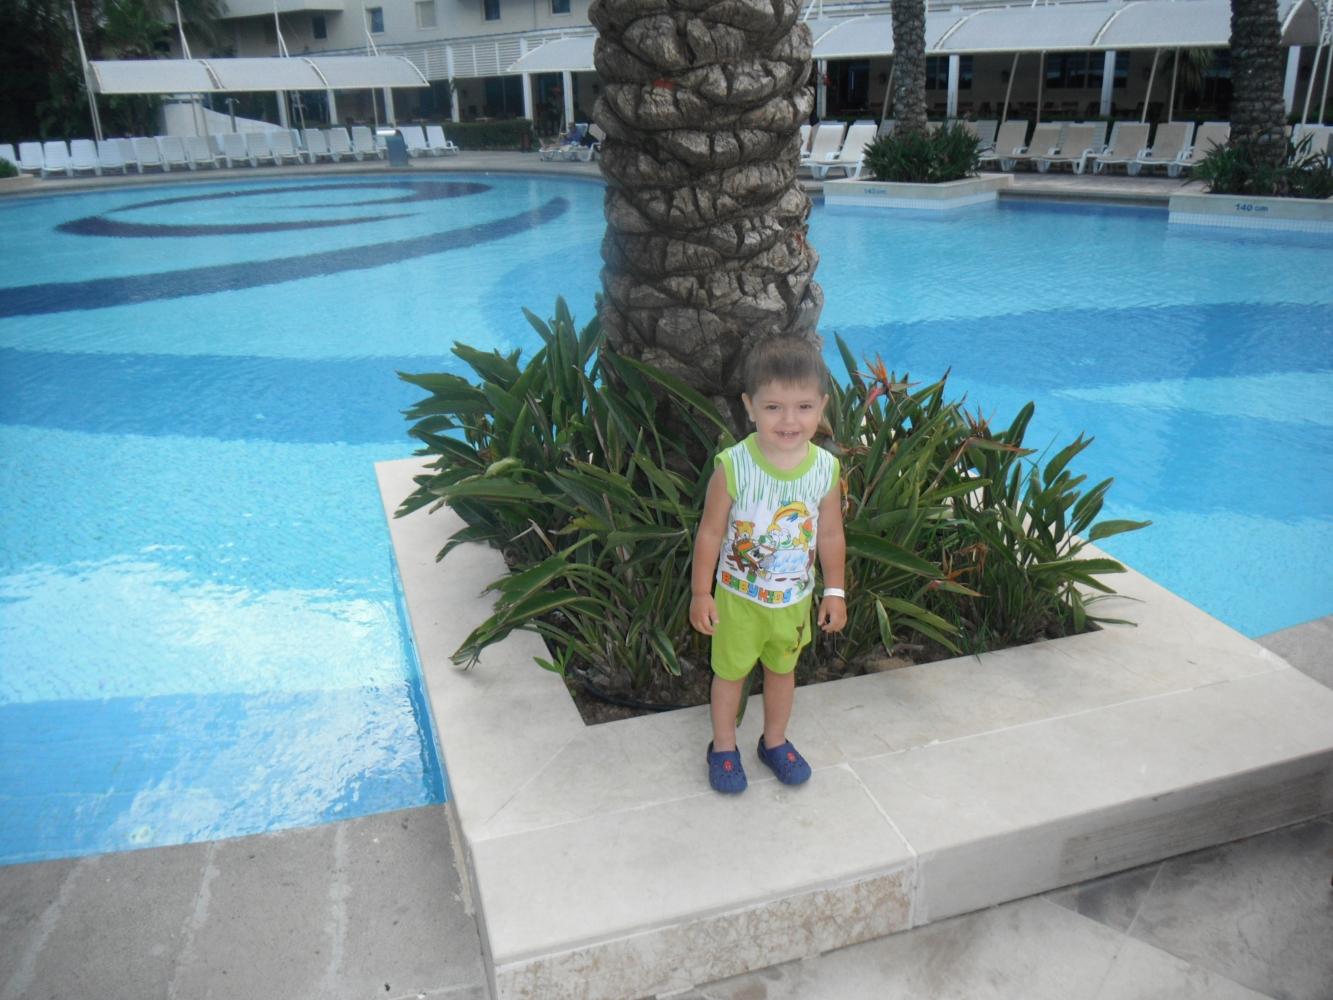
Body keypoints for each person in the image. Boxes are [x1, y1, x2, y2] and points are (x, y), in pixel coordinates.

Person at [689, 338, 847, 794]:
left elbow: (830, 535)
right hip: (738, 601)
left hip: (792, 603)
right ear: (750, 407)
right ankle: (723, 746)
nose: (789, 420)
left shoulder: (824, 470)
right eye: (774, 407)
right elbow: (710, 533)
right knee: (730, 674)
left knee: (782, 672)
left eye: (803, 407)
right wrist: (701, 593)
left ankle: (774, 741)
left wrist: (835, 590)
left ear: (822, 407)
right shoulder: (733, 467)